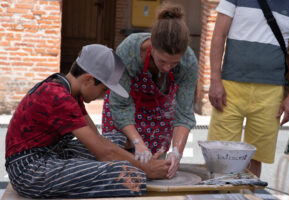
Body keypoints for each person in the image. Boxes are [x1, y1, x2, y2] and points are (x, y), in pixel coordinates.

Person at [5, 44, 170, 199]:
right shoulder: (57, 96)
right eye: (104, 89)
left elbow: (98, 140)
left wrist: (141, 161)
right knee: (124, 173)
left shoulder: (70, 91)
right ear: (89, 79)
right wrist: (146, 169)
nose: (104, 95)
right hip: (29, 170)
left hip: (52, 153)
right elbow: (103, 153)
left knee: (116, 139)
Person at [102, 3, 198, 179]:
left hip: (159, 109)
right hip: (124, 104)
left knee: (155, 165)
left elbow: (184, 114)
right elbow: (121, 104)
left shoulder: (189, 62)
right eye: (162, 61)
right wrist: (137, 142)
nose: (167, 68)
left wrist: (177, 151)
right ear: (152, 45)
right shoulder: (130, 49)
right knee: (120, 166)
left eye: (174, 63)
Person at [208, 0, 289, 177]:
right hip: (230, 87)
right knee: (220, 154)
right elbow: (218, 35)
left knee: (255, 157)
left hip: (271, 92)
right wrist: (215, 80)